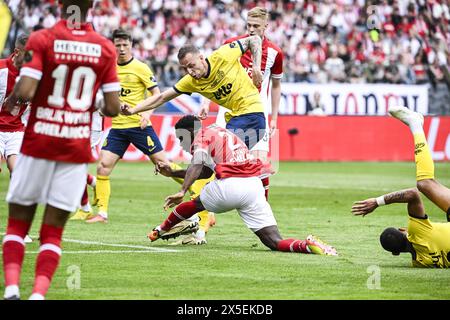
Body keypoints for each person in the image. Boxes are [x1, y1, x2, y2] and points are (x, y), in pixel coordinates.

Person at [1, 0, 121, 300]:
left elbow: (25, 92)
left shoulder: (43, 39)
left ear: (62, 6)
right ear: (90, 7)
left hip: (38, 141)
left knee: (17, 224)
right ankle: (39, 295)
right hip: (74, 150)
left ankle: (13, 289)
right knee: (53, 232)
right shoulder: (104, 48)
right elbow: (112, 107)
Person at [148, 115, 338, 256]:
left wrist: (182, 189)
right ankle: (308, 246)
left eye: (181, 139)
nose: (181, 145)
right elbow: (205, 171)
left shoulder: (201, 137)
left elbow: (197, 164)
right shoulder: (219, 131)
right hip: (253, 186)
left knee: (195, 204)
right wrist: (173, 172)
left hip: (231, 186)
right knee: (274, 241)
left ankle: (159, 230)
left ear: (190, 132)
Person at [199, 6, 284, 202]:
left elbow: (276, 85)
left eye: (256, 26)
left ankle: (264, 213)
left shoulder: (275, 53)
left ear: (266, 26)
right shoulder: (232, 45)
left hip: (256, 113)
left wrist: (274, 118)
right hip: (229, 111)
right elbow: (211, 75)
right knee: (214, 164)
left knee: (261, 164)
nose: (252, 29)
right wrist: (205, 102)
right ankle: (203, 219)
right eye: (249, 25)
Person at [351, 106, 450, 268]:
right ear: (403, 230)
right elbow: (412, 194)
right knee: (425, 184)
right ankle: (416, 125)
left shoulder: (420, 263)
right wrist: (377, 202)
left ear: (395, 253)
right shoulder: (417, 231)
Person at [0, 34, 33, 244]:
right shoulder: (2, 69)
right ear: (17, 51)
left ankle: (19, 229)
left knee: (20, 174)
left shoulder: (33, 75)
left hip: (16, 130)